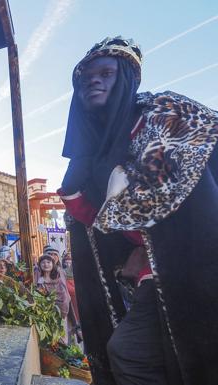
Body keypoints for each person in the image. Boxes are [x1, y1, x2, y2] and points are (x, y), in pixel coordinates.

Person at [59, 36, 218, 385]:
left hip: (194, 267)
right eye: (86, 78)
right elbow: (103, 226)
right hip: (152, 274)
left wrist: (146, 243)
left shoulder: (167, 116)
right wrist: (73, 192)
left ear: (127, 79)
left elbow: (185, 197)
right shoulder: (95, 151)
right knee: (145, 356)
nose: (94, 81)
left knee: (134, 352)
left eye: (106, 73)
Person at [36, 254, 71, 322]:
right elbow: (42, 297)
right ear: (40, 265)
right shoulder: (40, 281)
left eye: (48, 262)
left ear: (52, 264)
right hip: (49, 314)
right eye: (43, 262)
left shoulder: (59, 277)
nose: (46, 265)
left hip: (63, 309)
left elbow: (64, 294)